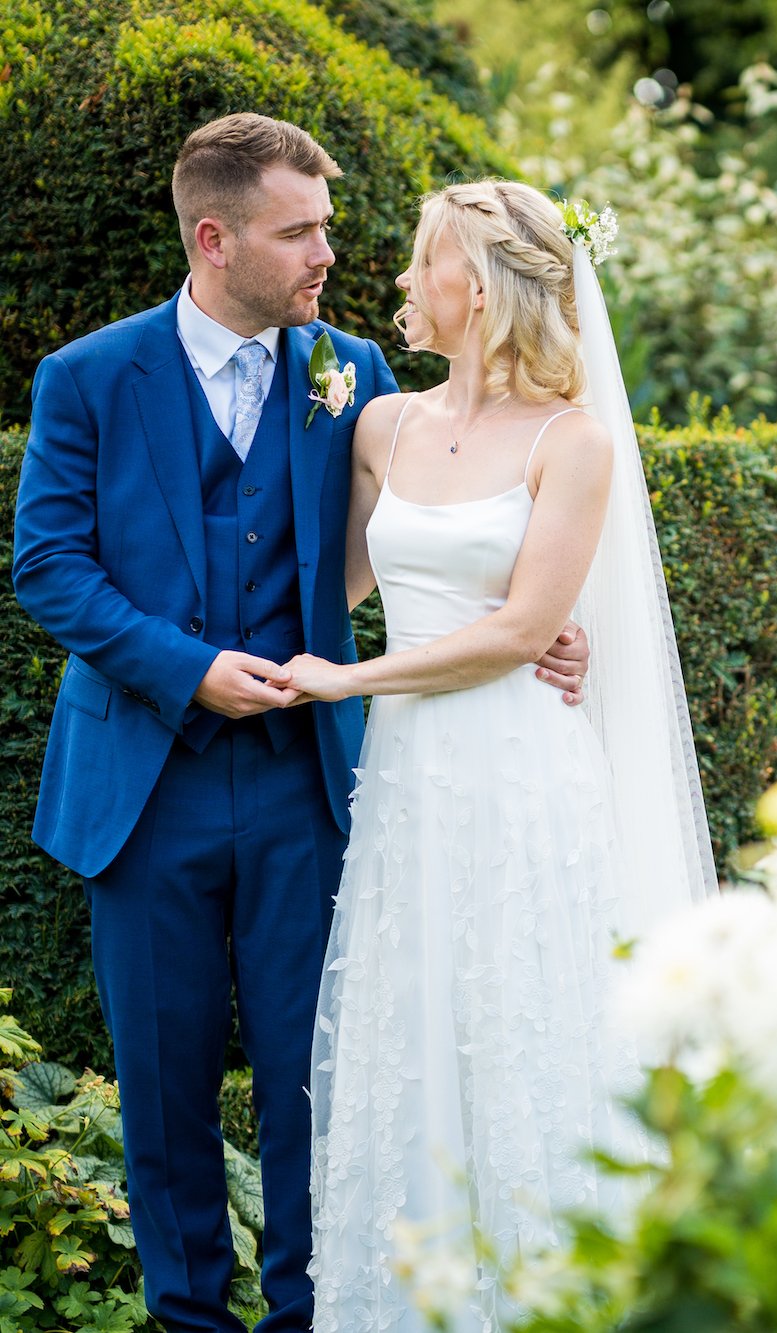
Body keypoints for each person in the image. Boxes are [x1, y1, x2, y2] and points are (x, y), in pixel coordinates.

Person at [9, 113, 589, 1333]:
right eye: (301, 230)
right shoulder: (88, 379)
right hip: (144, 783)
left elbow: (410, 541)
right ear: (216, 239)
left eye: (324, 226)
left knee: (318, 1077)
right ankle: (186, 1319)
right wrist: (191, 667)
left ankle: (308, 1315)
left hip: (310, 781)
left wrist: (529, 620)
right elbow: (49, 566)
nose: (328, 251)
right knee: (163, 1088)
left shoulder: (355, 375)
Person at [282, 179, 716, 1331]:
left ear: (472, 289)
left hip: (520, 769)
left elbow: (526, 630)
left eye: (421, 263)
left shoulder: (572, 442)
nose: (400, 283)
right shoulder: (381, 421)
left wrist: (350, 680)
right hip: (411, 781)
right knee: (411, 1022)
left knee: (527, 1025)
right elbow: (333, 587)